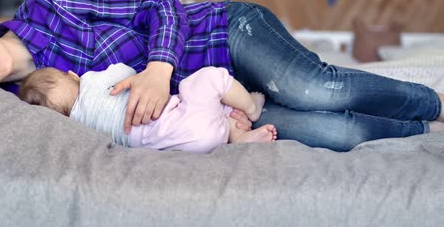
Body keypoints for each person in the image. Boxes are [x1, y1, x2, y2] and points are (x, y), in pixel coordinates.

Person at [0, 0, 444, 152]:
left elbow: (162, 6)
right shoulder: (26, 109)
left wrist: (158, 68)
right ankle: (424, 129)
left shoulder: (50, 2)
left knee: (315, 90)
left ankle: (434, 99)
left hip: (222, 35)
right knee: (326, 132)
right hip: (210, 111)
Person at [18, 63, 275, 153]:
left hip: (178, 146)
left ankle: (238, 136)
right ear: (71, 76)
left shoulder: (78, 128)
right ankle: (251, 107)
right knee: (208, 79)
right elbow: (125, 72)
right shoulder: (90, 82)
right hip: (179, 120)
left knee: (206, 119)